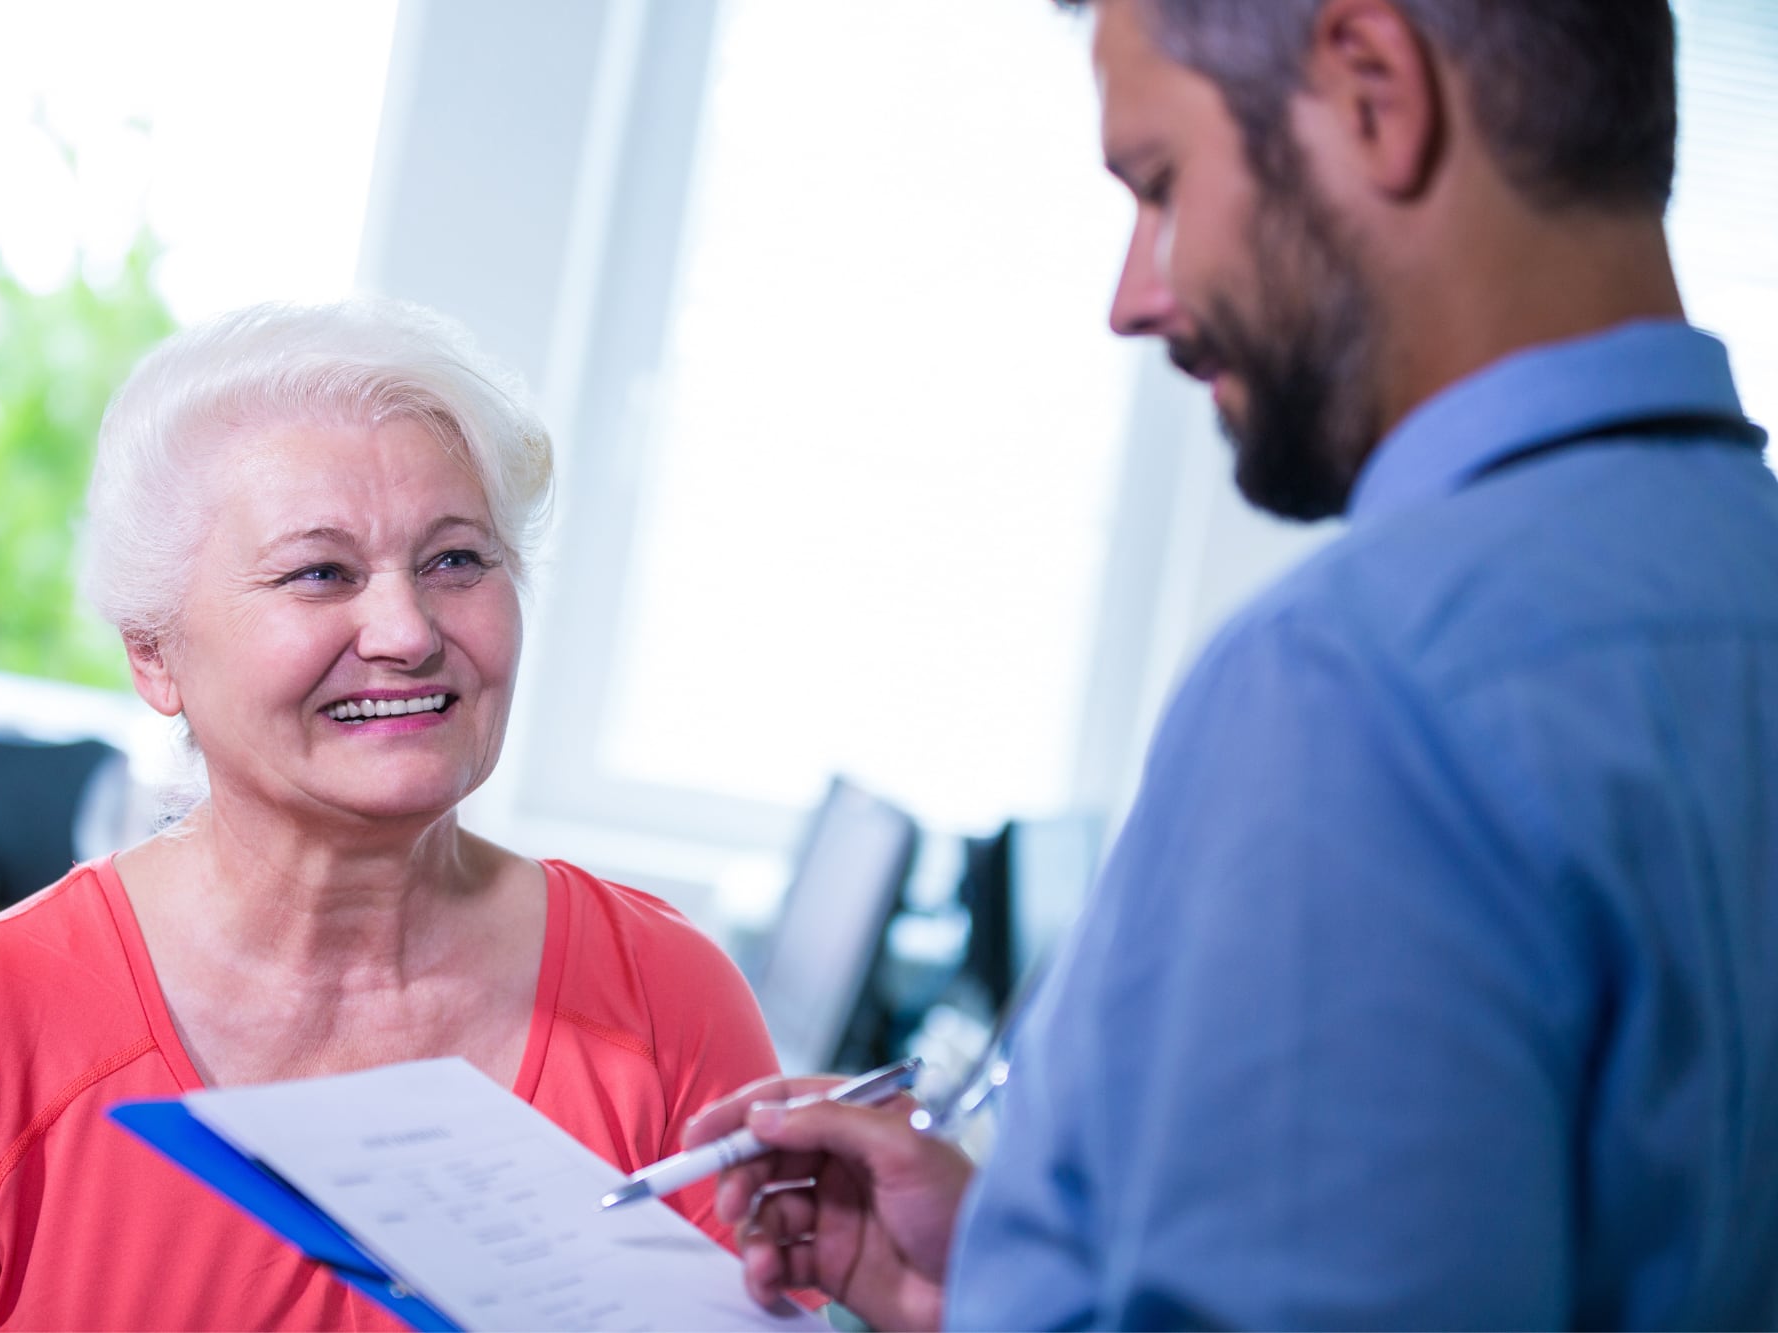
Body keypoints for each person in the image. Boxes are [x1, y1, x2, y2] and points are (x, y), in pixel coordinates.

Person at [687, 0, 1778, 1326]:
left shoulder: (1356, 682)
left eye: (1160, 184)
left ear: (1372, 90)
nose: (1132, 299)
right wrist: (1003, 1283)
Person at [0, 298, 780, 1332]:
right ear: (154, 653)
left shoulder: (668, 1002)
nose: (405, 631)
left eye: (455, 560)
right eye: (320, 573)